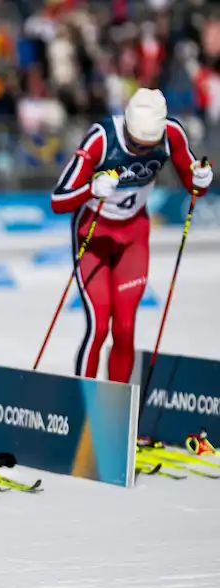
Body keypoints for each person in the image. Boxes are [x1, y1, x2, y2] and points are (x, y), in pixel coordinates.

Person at [50, 87, 212, 382]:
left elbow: (194, 184)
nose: (139, 152)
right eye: (135, 145)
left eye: (146, 147)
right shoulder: (101, 138)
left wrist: (201, 178)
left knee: (124, 329)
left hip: (133, 236)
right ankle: (80, 406)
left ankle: (117, 411)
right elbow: (58, 200)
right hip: (94, 236)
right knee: (98, 327)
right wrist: (91, 188)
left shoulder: (172, 133)